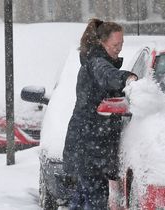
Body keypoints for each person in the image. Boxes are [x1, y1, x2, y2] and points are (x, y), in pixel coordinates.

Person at [63, 18, 138, 209]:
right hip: (90, 148)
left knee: (81, 199)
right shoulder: (97, 63)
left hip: (86, 146)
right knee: (96, 201)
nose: (119, 48)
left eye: (122, 43)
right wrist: (128, 78)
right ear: (102, 42)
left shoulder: (94, 61)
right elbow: (109, 76)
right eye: (115, 44)